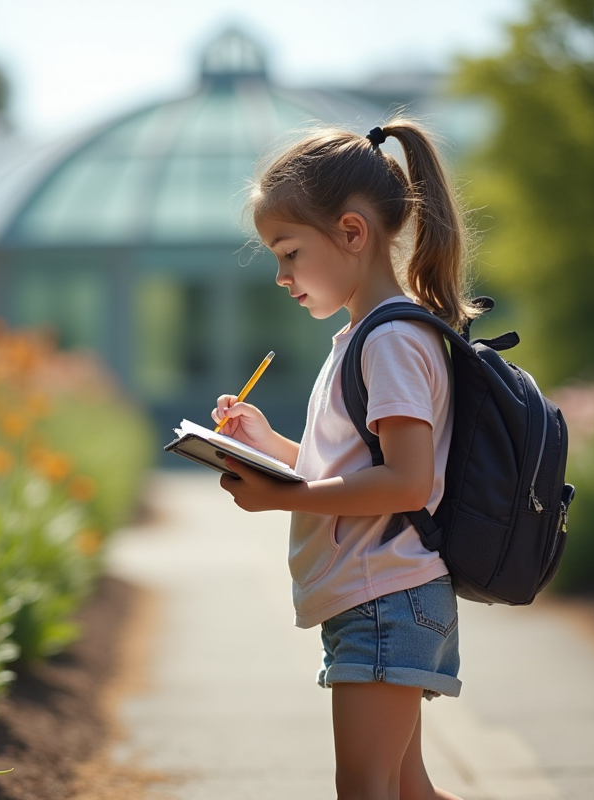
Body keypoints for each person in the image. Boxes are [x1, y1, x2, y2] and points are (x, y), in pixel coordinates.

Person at [211, 121, 481, 800]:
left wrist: (282, 498)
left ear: (353, 234)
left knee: (366, 788)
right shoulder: (369, 336)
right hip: (383, 595)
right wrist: (270, 446)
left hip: (385, 598)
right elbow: (359, 466)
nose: (281, 276)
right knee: (407, 790)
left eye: (290, 252)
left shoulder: (387, 341)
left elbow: (405, 481)